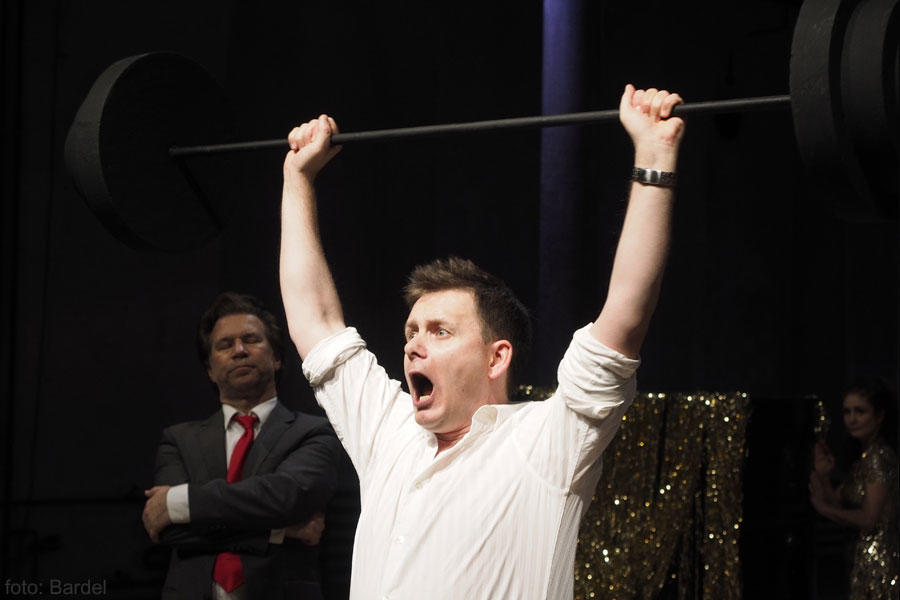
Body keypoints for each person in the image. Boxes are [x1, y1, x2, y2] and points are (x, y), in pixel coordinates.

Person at [279, 85, 684, 599]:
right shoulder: (389, 433)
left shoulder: (548, 442)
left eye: (440, 331)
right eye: (411, 332)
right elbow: (314, 320)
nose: (413, 346)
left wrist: (654, 155)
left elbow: (626, 313)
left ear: (497, 357)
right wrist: (297, 178)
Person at [142, 292, 342, 600]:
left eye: (251, 340)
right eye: (225, 345)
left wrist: (181, 501)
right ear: (210, 369)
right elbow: (171, 531)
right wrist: (277, 531)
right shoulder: (179, 440)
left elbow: (285, 498)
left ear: (276, 358)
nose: (239, 350)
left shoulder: (313, 433)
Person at [810, 376, 899, 599]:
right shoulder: (863, 458)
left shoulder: (878, 457)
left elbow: (868, 519)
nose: (852, 419)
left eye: (860, 411)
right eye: (847, 412)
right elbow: (839, 503)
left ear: (879, 416)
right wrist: (822, 475)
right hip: (860, 563)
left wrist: (823, 509)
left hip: (878, 567)